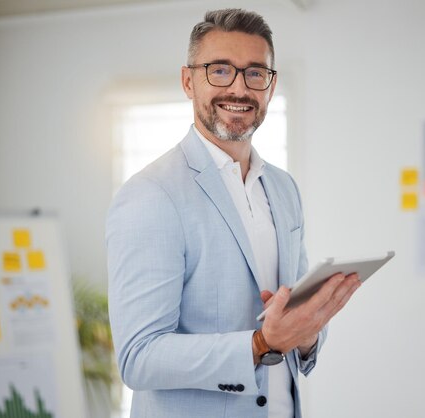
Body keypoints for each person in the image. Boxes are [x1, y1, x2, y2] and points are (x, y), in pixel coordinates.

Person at [106, 8, 362, 418]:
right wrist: (260, 343)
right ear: (189, 81)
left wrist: (307, 332)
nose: (239, 89)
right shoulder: (151, 194)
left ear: (270, 85)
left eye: (255, 73)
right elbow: (139, 357)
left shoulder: (283, 188)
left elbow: (290, 318)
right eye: (220, 70)